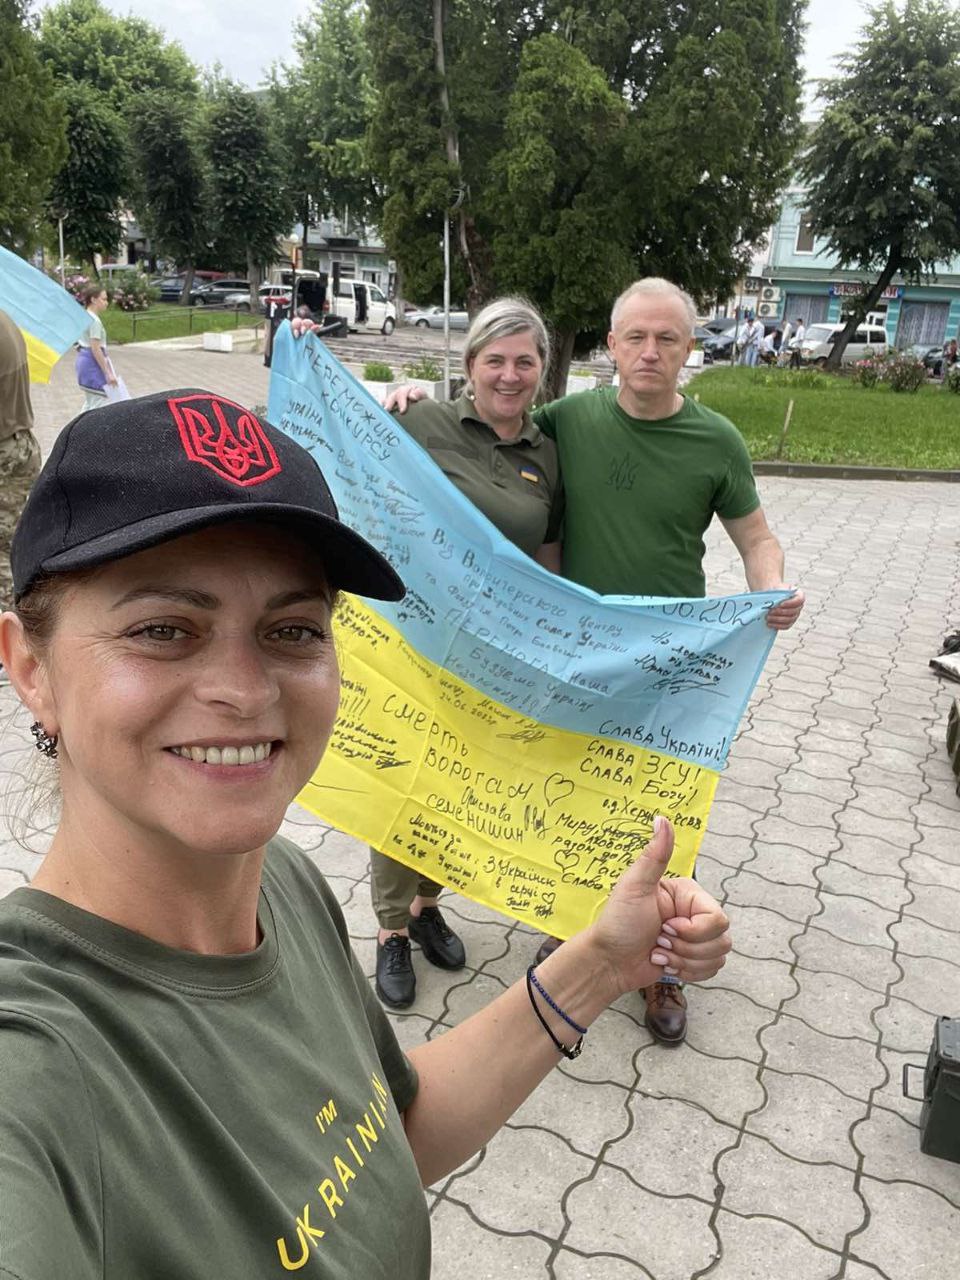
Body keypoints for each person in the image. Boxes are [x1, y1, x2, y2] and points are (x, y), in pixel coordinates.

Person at [0, 391, 731, 1277]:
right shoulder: (33, 1063)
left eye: (292, 630)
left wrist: (603, 963)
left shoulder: (285, 884)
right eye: (163, 630)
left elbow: (395, 1135)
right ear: (31, 667)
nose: (246, 689)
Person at [388, 277, 804, 1047]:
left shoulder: (716, 440)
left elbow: (756, 537)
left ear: (689, 348)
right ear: (611, 345)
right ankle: (574, 925)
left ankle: (664, 966)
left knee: (664, 810)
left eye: (667, 338)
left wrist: (771, 588)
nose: (650, 352)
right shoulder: (568, 419)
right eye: (635, 337)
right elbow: (490, 416)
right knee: (579, 796)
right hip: (574, 654)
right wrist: (413, 398)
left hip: (670, 661)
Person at [370, 298, 562, 1009]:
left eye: (524, 361)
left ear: (541, 369)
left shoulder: (547, 451)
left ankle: (426, 907)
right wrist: (302, 342)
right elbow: (351, 448)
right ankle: (390, 929)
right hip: (417, 640)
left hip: (494, 655)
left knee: (456, 783)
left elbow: (549, 558)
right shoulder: (424, 421)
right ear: (471, 364)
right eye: (495, 360)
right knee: (406, 779)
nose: (509, 375)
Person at [0, 310, 42, 655]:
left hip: (4, 451)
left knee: (2, 550)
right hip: (19, 442)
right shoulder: (5, 318)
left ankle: (13, 644)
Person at [75, 282, 117, 411]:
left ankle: (76, 424)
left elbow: (77, 342)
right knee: (98, 404)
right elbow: (95, 348)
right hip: (92, 364)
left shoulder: (84, 317)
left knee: (90, 404)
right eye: (103, 299)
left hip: (84, 360)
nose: (106, 303)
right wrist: (108, 373)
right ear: (93, 299)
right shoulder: (94, 321)